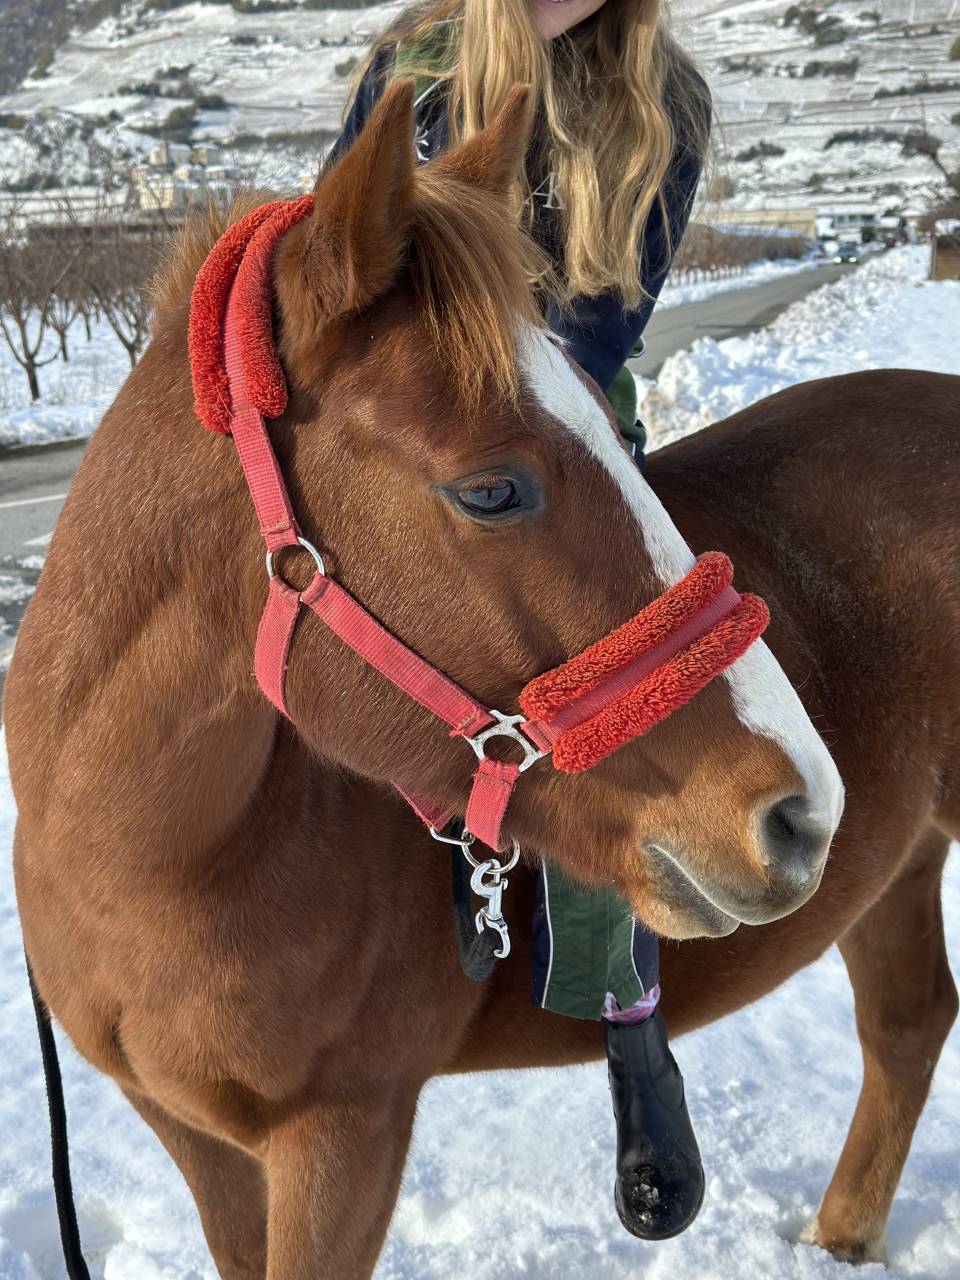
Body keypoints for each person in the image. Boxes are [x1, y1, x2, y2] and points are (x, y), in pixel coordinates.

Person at [329, 0, 711, 1242]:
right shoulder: (415, 66)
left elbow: (598, 339)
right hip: (404, 429)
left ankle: (632, 1027)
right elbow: (338, 256)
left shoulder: (665, 107)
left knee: (610, 701)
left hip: (563, 429)